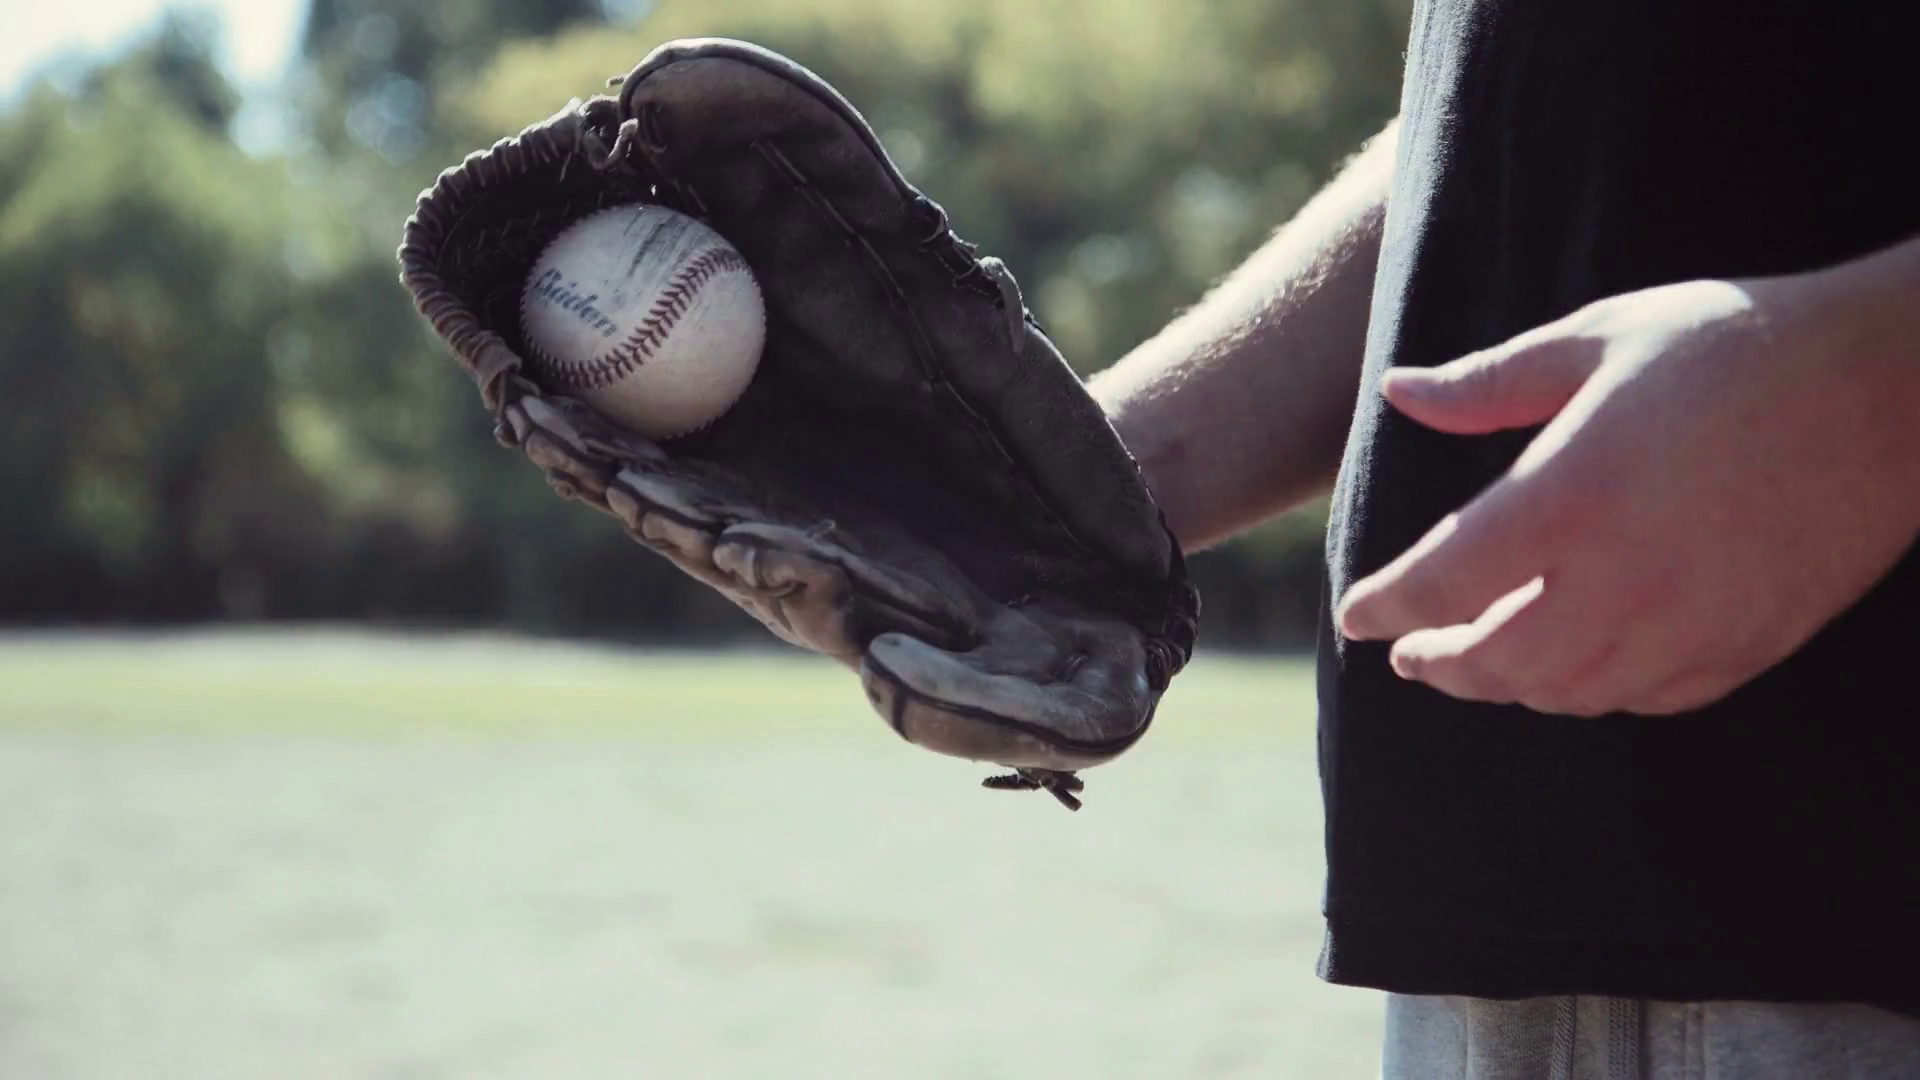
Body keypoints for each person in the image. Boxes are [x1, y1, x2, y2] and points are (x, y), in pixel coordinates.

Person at [1089, 2, 1920, 1076]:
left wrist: (1878, 382)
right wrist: (1086, 473)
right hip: (1494, 934)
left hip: (1847, 903)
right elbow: (1511, 114)